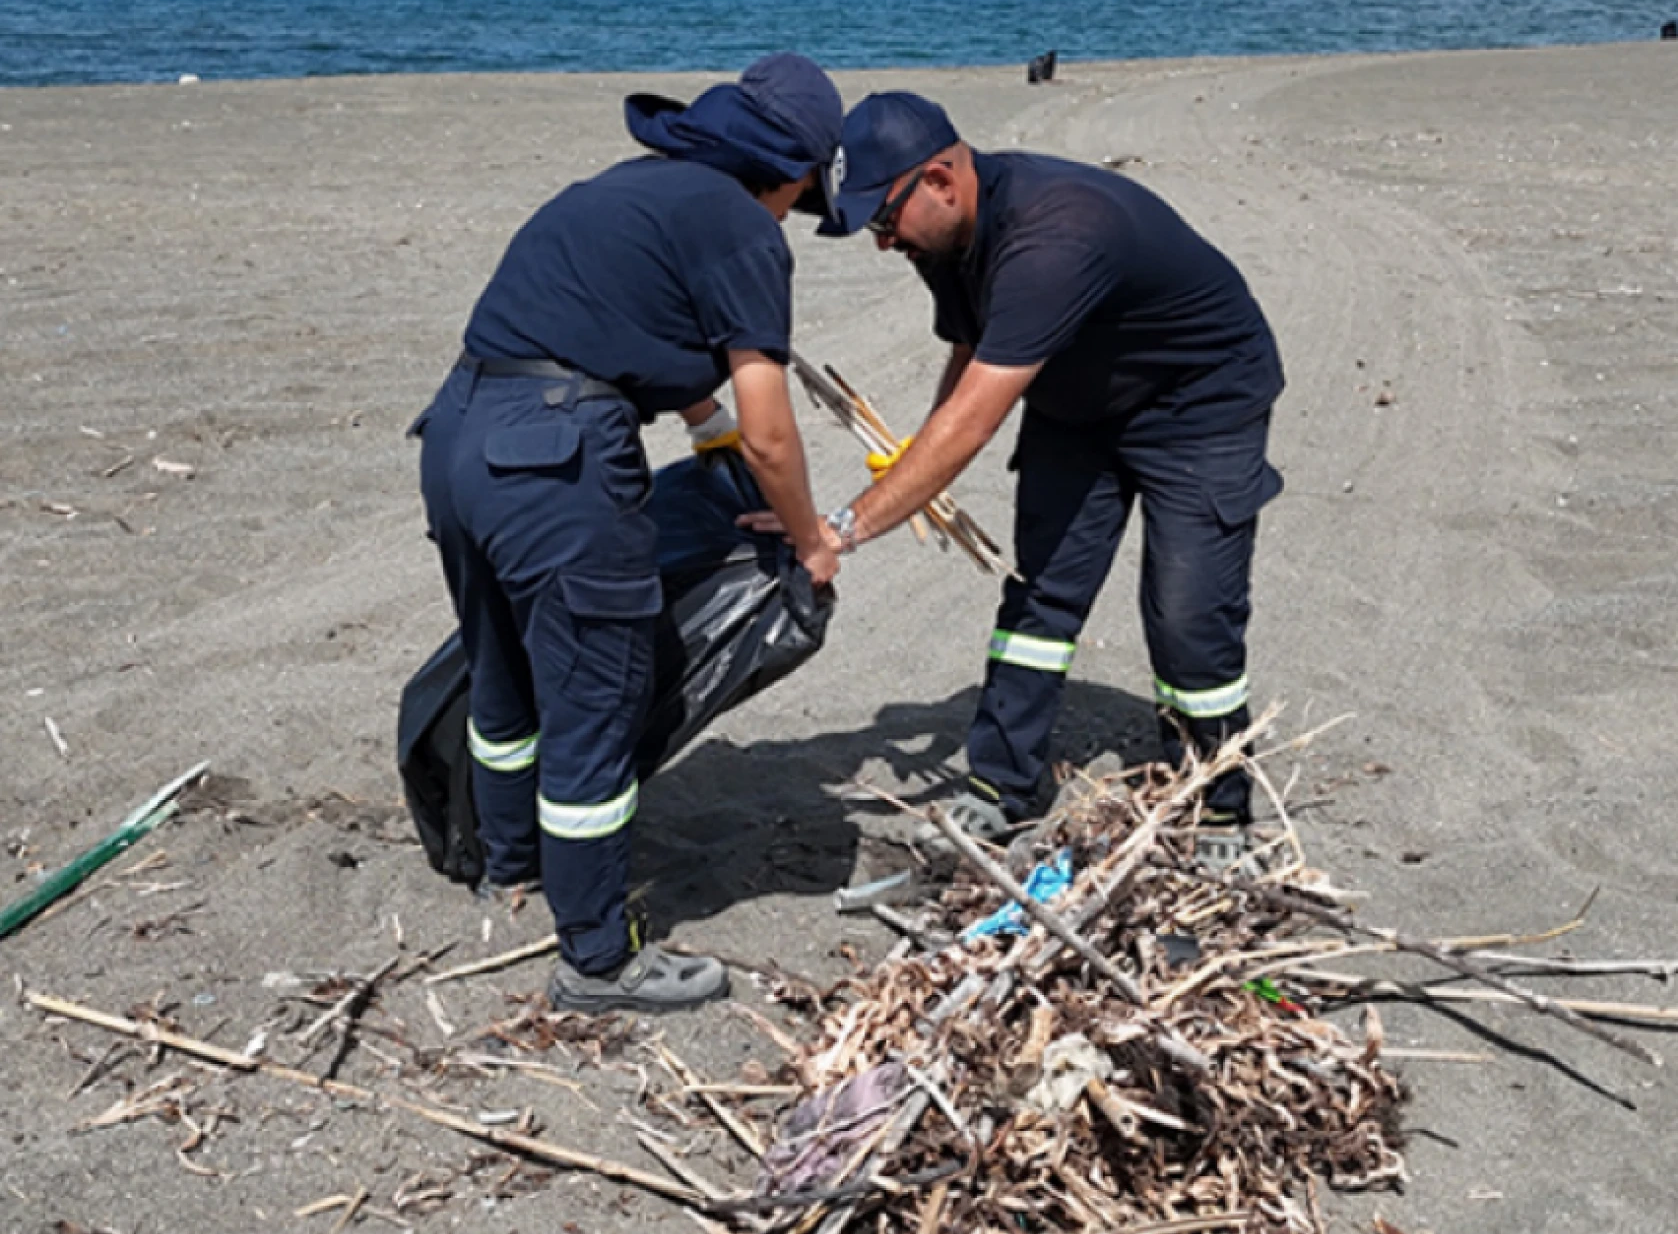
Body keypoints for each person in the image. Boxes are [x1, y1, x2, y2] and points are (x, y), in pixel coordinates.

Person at [411, 54, 843, 1013]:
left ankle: (506, 865)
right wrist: (811, 539)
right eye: (801, 196)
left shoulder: (630, 191)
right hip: (558, 458)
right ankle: (598, 958)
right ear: (789, 171)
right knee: (594, 703)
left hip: (455, 435)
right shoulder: (743, 225)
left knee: (504, 672)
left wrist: (705, 431)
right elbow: (771, 422)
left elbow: (632, 332)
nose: (791, 215)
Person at [815, 92, 1284, 851]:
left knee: (1188, 614)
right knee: (1042, 593)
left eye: (883, 218)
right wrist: (915, 458)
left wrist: (844, 528)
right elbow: (969, 350)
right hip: (1077, 399)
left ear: (939, 177)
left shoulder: (1057, 233)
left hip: (1199, 399)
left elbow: (975, 420)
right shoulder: (942, 237)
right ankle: (1002, 784)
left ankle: (1219, 797)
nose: (881, 241)